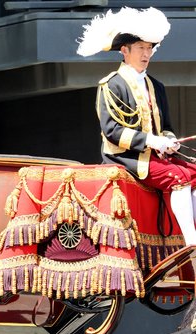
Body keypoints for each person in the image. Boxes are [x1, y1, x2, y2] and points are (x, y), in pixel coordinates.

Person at [78, 7, 196, 245]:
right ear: (124, 50)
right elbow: (112, 131)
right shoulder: (111, 85)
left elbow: (167, 127)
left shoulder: (157, 86)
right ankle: (191, 242)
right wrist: (152, 141)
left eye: (150, 48)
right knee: (179, 177)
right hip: (127, 158)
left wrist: (168, 141)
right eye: (141, 47)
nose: (147, 53)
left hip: (155, 157)